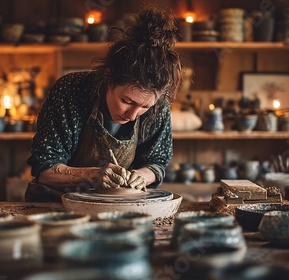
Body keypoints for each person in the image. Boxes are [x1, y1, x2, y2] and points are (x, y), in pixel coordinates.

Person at [25, 8, 184, 202]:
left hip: (119, 205)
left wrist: (140, 176)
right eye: (127, 101)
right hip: (57, 204)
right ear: (108, 77)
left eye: (145, 107)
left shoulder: (158, 107)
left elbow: (156, 164)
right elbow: (45, 168)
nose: (133, 115)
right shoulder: (70, 91)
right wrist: (92, 175)